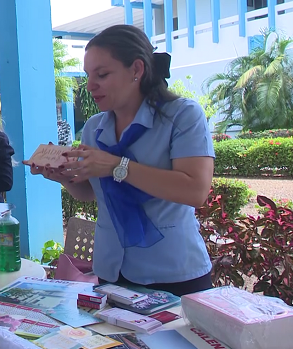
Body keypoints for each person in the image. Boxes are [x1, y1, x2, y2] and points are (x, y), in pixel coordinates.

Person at [26, 25, 215, 297]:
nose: (90, 85)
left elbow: (195, 191)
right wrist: (61, 176)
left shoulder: (182, 116)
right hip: (111, 271)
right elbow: (90, 192)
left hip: (174, 272)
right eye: (88, 75)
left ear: (136, 70)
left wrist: (117, 166)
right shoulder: (95, 127)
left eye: (102, 74)